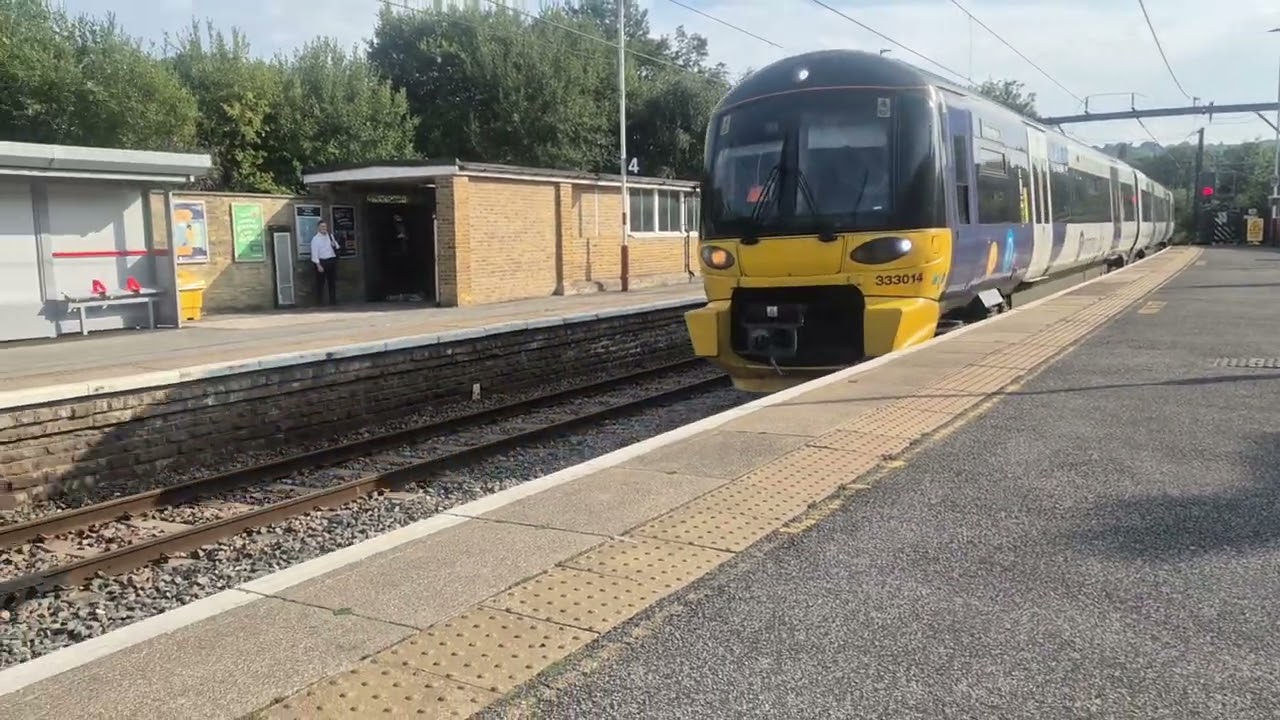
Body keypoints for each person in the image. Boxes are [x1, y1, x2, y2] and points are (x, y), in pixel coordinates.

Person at [310, 221, 340, 305]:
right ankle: (319, 302)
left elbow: (337, 247)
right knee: (320, 283)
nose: (324, 228)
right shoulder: (315, 239)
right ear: (318, 228)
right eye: (322, 227)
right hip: (322, 262)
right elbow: (314, 253)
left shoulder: (330, 236)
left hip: (331, 260)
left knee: (332, 282)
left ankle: (333, 301)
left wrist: (334, 245)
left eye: (325, 226)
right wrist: (318, 265)